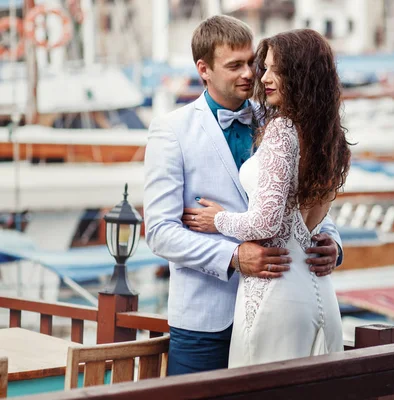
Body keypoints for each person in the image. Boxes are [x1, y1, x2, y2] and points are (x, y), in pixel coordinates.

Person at [143, 16, 343, 375]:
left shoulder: (281, 120)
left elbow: (302, 202)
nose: (250, 74)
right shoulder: (171, 131)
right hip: (207, 320)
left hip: (278, 304)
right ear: (203, 69)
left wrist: (332, 241)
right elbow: (160, 232)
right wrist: (233, 256)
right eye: (235, 65)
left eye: (252, 62)